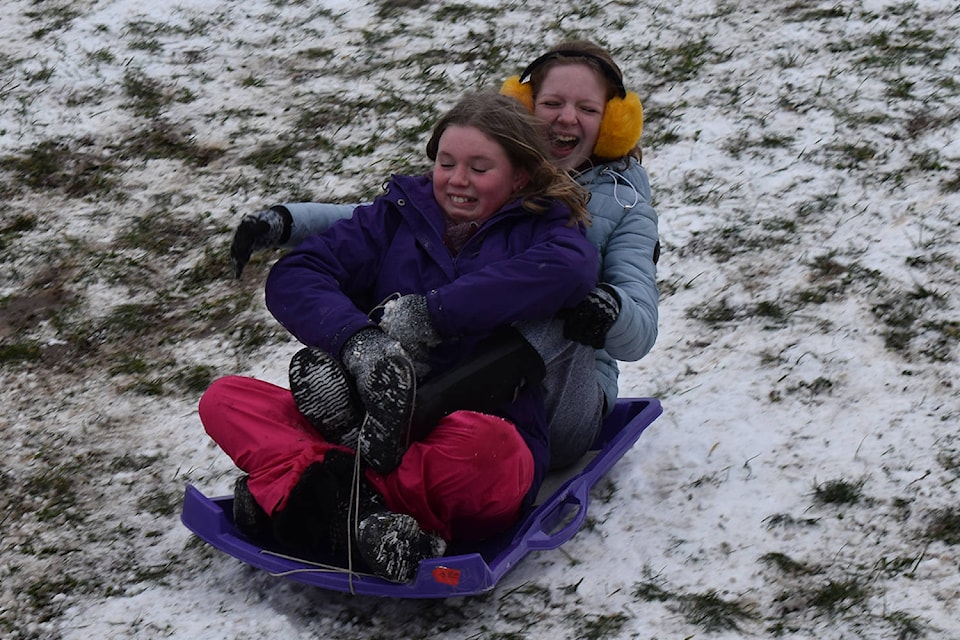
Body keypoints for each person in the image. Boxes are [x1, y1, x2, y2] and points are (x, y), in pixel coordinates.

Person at [199, 90, 599, 583]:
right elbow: (298, 273)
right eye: (447, 162)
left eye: (479, 168)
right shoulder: (397, 217)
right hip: (371, 415)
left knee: (493, 453)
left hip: (470, 430)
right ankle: (369, 520)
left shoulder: (544, 232)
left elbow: (571, 270)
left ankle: (298, 495)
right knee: (226, 399)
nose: (456, 180)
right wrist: (358, 342)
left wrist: (432, 316)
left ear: (519, 175)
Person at [229, 39, 659, 470]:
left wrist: (610, 309)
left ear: (612, 124)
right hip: (471, 377)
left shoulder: (624, 208)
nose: (567, 118)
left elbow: (639, 332)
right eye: (552, 103)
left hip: (559, 401)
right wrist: (289, 222)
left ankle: (399, 420)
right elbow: (391, 219)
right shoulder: (480, 170)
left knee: (557, 303)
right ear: (524, 106)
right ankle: (383, 403)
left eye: (587, 109)